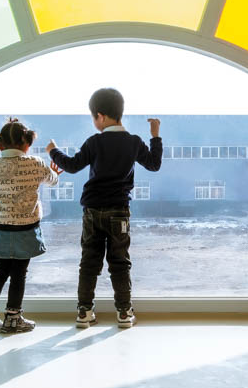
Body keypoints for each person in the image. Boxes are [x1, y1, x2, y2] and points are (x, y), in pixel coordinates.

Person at [47, 87, 162, 329]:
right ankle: (123, 313)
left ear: (100, 116)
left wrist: (53, 151)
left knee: (89, 261)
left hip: (92, 210)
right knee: (120, 262)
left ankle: (84, 312)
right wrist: (155, 135)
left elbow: (72, 165)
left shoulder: (95, 142)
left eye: (93, 118)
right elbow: (153, 165)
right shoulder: (134, 142)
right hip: (119, 211)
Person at [0, 118, 59, 334]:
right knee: (19, 273)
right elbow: (52, 180)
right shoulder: (36, 163)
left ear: (0, 145)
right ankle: (13, 318)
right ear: (27, 144)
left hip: (2, 227)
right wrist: (54, 174)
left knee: (0, 271)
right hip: (26, 227)